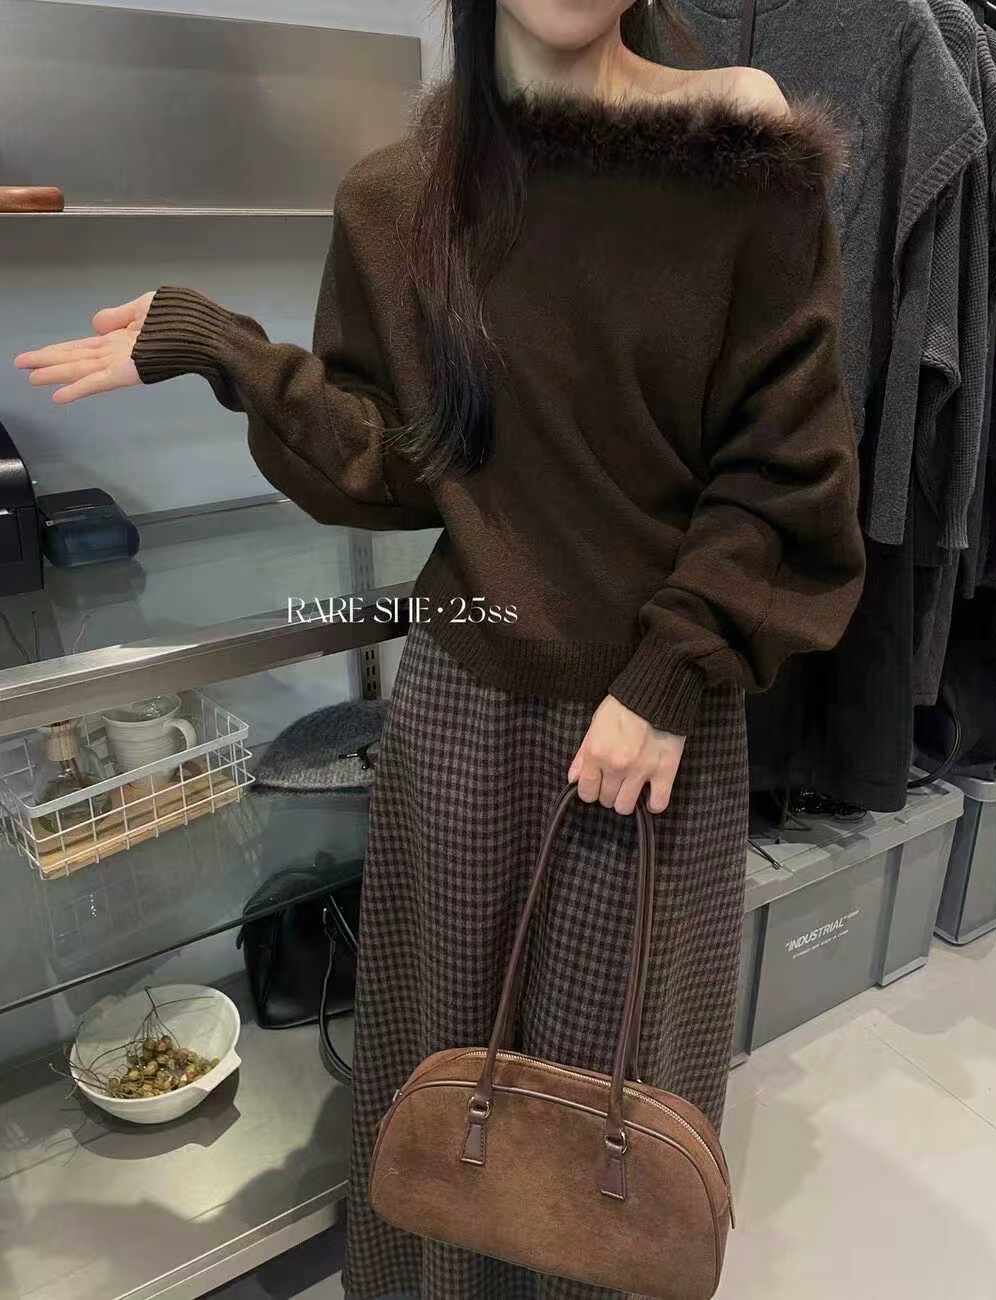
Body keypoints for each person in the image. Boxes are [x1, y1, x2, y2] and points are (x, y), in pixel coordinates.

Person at [14, 2, 866, 1295]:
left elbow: (789, 468)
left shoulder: (732, 149)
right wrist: (228, 352)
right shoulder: (399, 198)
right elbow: (397, 462)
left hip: (653, 731)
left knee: (612, 1112)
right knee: (438, 1071)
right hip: (464, 708)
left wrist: (670, 675)